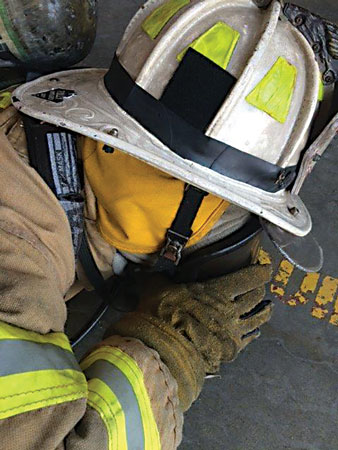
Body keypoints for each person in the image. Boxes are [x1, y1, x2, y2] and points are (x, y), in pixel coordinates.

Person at [1, 0, 336, 448]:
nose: (228, 223)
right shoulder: (11, 249)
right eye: (224, 200)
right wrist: (172, 350)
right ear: (111, 142)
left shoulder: (56, 177)